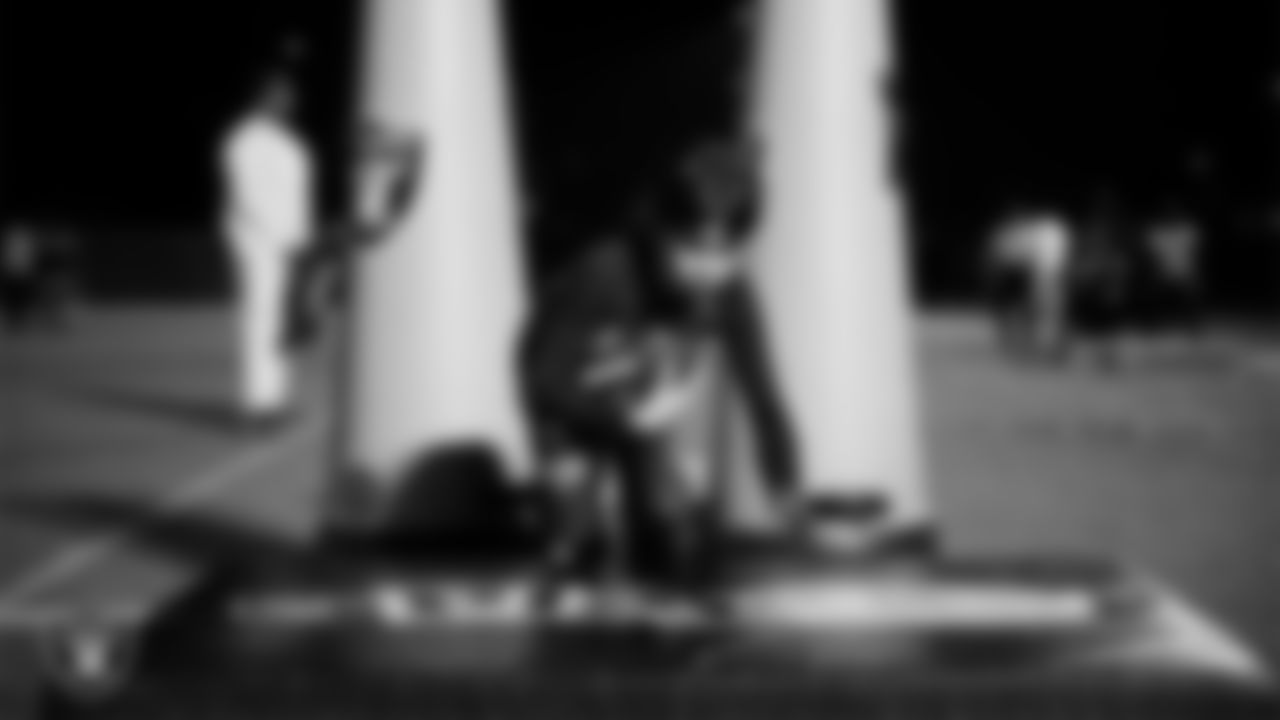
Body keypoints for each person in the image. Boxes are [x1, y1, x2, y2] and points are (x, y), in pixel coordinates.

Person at [521, 137, 799, 599]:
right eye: (693, 249)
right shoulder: (606, 273)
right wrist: (620, 419)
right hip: (571, 390)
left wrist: (785, 486)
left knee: (671, 534)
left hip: (645, 393)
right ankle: (568, 570)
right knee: (578, 541)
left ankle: (661, 636)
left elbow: (764, 395)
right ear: (659, 230)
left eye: (726, 252)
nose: (708, 270)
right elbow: (543, 379)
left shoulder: (731, 293)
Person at [218, 66, 314, 431]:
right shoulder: (243, 140)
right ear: (264, 95)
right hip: (257, 242)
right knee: (260, 321)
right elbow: (249, 197)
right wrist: (285, 238)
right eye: (282, 93)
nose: (290, 100)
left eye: (290, 94)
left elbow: (297, 198)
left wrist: (301, 241)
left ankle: (275, 399)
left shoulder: (289, 144)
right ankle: (254, 406)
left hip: (289, 243)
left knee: (284, 324)